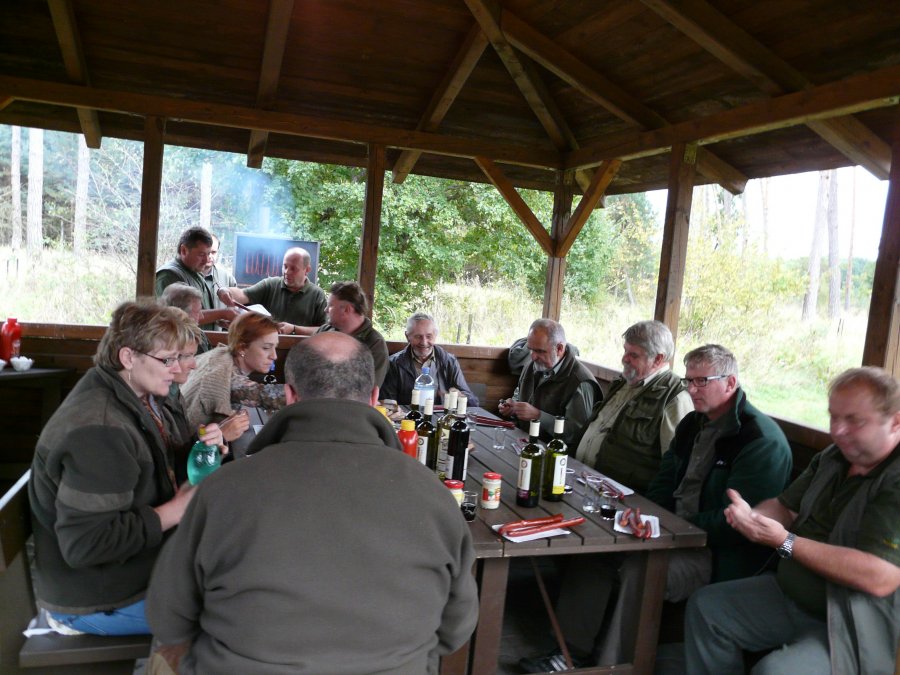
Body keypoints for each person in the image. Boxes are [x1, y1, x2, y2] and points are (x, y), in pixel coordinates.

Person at [146, 332, 480, 673]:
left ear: (290, 396)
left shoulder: (221, 489)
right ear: (374, 397)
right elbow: (455, 629)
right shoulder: (432, 494)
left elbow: (168, 619)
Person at [520, 344, 793, 672]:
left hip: (717, 554)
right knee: (596, 549)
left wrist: (670, 527)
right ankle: (567, 653)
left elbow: (737, 523)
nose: (692, 390)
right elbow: (665, 479)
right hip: (671, 530)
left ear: (730, 383)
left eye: (702, 382)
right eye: (688, 381)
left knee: (642, 570)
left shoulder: (759, 441)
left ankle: (616, 666)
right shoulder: (693, 423)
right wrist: (650, 516)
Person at [685, 366, 900, 674]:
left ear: (895, 422)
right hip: (790, 595)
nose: (838, 430)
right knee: (708, 608)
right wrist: (752, 518)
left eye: (854, 420)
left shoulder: (893, 479)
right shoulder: (834, 457)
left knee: (776, 671)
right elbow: (784, 508)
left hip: (850, 622)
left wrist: (785, 541)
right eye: (833, 417)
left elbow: (880, 577)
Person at [27, 301, 224, 636]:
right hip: (96, 598)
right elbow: (87, 544)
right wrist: (177, 510)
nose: (178, 368)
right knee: (239, 611)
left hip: (132, 572)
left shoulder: (139, 398)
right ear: (129, 357)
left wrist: (201, 449)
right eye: (168, 359)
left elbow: (155, 469)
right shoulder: (100, 429)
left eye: (179, 357)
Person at [575, 320, 694, 494]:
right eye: (625, 350)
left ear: (658, 359)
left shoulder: (675, 398)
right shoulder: (625, 381)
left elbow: (675, 468)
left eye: (634, 355)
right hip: (586, 481)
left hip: (626, 499)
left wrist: (652, 505)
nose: (624, 358)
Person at [498, 318, 601, 448]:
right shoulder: (531, 366)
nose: (533, 357)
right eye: (531, 350)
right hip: (522, 442)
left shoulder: (580, 382)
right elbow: (518, 394)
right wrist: (512, 406)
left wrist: (538, 416)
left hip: (555, 454)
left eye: (540, 351)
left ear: (559, 348)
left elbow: (576, 433)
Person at [180, 311, 285, 431]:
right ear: (242, 348)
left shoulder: (220, 355)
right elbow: (271, 396)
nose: (274, 356)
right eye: (266, 348)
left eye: (275, 347)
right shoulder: (226, 377)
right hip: (189, 439)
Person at [217, 247, 327, 336]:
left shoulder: (317, 295)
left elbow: (324, 330)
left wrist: (294, 329)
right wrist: (224, 290)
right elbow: (242, 294)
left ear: (307, 270)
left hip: (301, 352)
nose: (287, 272)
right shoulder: (270, 284)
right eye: (285, 266)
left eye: (293, 268)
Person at [381, 312, 479, 406]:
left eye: (429, 336)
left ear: (435, 335)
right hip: (408, 416)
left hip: (441, 416)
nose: (424, 342)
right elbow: (388, 402)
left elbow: (473, 403)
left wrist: (460, 396)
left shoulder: (449, 361)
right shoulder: (393, 364)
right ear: (407, 336)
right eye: (418, 336)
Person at [155, 227, 237, 329]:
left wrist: (217, 320)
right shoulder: (168, 275)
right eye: (201, 254)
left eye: (209, 254)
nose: (206, 260)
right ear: (184, 250)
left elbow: (198, 312)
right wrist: (223, 314)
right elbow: (178, 318)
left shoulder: (195, 272)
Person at [316, 280, 389, 387]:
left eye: (330, 306)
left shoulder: (375, 344)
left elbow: (368, 388)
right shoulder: (324, 331)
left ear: (346, 309)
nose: (325, 310)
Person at [159, 283, 211, 354]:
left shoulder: (199, 334)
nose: (202, 316)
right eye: (197, 312)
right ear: (180, 313)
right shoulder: (164, 342)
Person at [203, 233, 237, 310]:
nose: (210, 256)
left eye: (213, 252)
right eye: (206, 252)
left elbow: (235, 307)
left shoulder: (227, 277)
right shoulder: (185, 277)